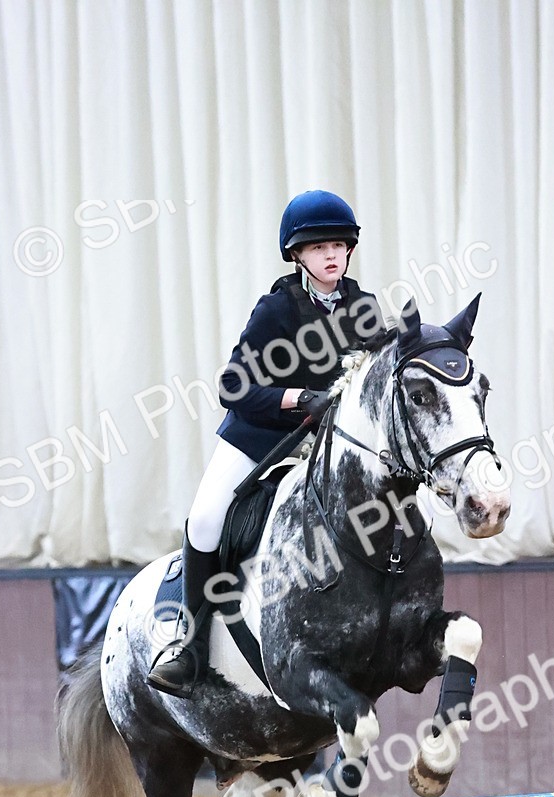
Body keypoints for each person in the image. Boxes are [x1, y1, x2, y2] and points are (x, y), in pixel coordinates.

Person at [147, 189, 385, 697]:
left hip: (328, 447)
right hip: (261, 439)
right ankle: (187, 649)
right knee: (206, 519)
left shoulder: (363, 307)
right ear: (297, 254)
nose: (332, 255)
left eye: (340, 245)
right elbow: (232, 387)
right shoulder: (276, 309)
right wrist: (300, 399)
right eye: (319, 247)